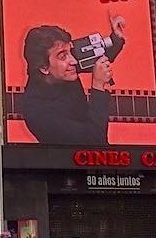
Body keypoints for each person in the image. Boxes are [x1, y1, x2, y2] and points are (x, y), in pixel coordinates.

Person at [19, 17, 125, 145]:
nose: (74, 61)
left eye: (70, 51)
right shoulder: (39, 112)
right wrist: (98, 86)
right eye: (63, 56)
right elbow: (94, 141)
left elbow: (98, 54)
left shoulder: (60, 68)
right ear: (43, 68)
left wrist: (116, 38)